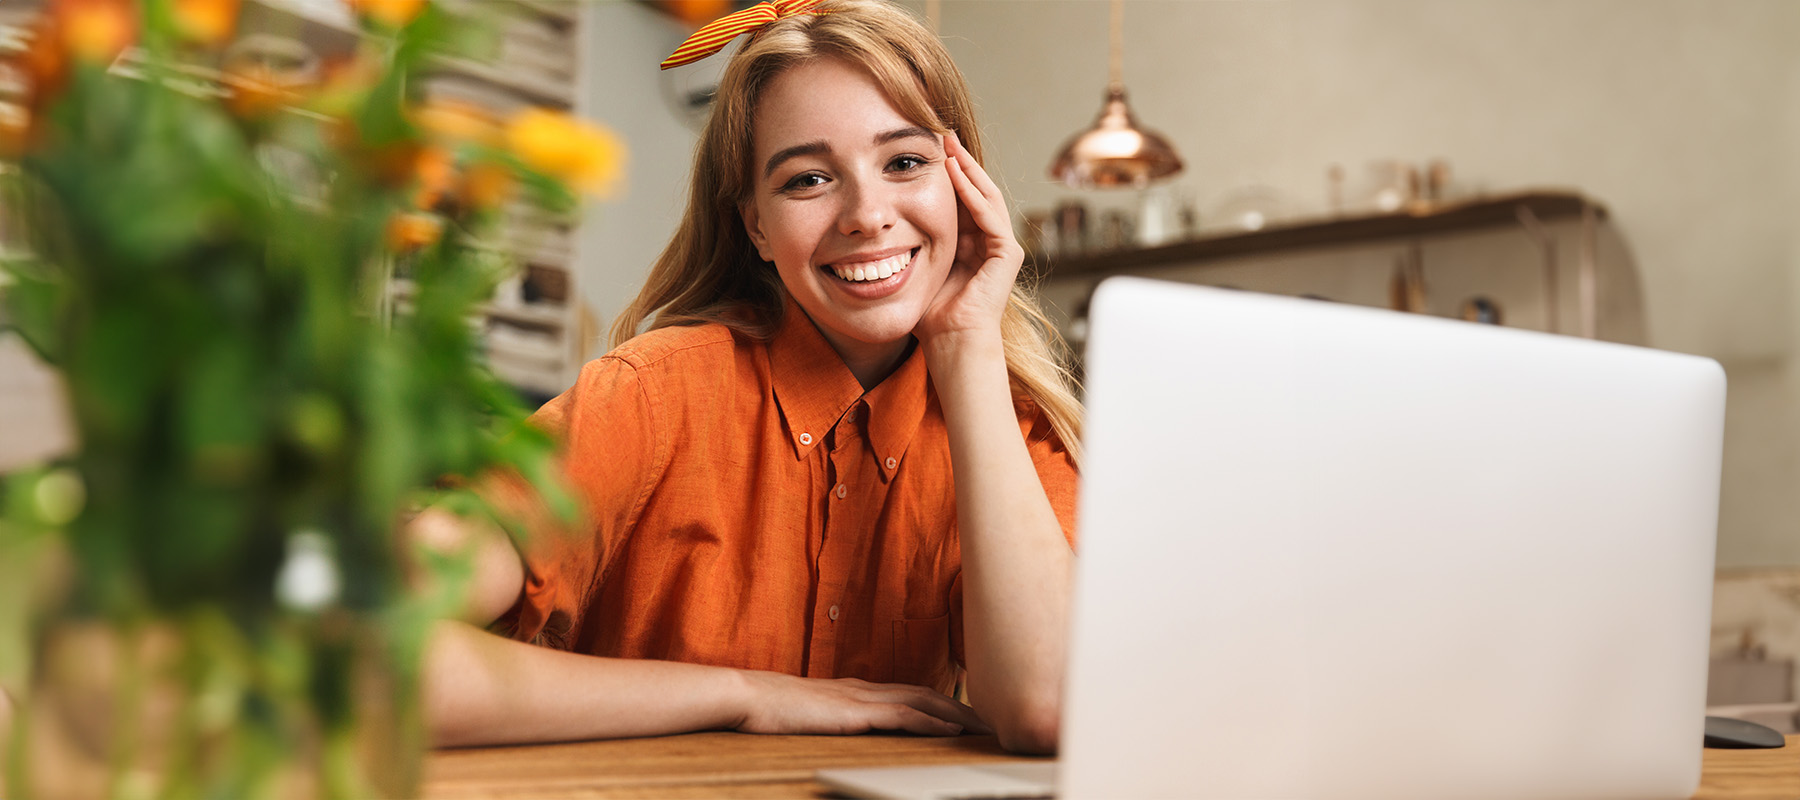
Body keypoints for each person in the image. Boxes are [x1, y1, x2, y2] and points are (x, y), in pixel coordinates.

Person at [410, 0, 1081, 755]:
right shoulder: (649, 396)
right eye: (807, 180)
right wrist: (742, 694)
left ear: (965, 187)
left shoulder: (1006, 430)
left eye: (905, 162)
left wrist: (967, 346)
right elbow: (353, 645)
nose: (867, 214)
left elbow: (1048, 707)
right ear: (756, 224)